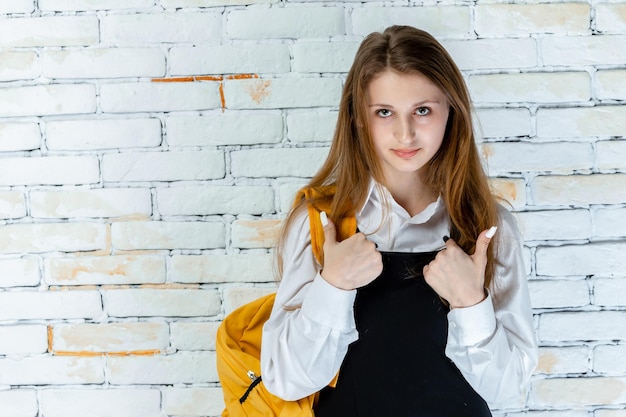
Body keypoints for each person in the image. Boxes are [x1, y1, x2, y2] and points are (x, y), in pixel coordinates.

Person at [260, 25, 537, 416]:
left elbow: (511, 392)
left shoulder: (489, 230)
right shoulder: (320, 225)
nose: (404, 134)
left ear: (450, 112)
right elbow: (285, 380)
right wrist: (333, 285)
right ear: (359, 117)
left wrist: (470, 303)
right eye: (384, 112)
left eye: (422, 110)